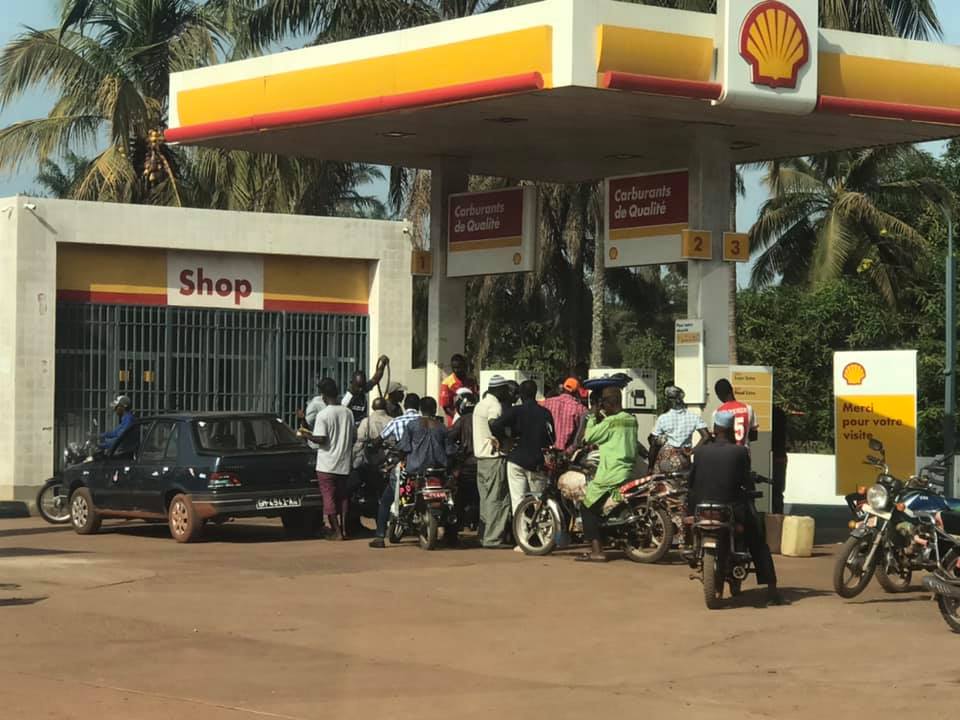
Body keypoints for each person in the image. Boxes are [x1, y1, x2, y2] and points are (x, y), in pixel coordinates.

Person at [687, 411, 786, 606]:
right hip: (730, 508)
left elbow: (691, 482)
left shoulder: (700, 452)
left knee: (691, 527)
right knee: (757, 538)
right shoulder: (740, 452)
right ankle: (772, 588)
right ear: (732, 430)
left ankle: (693, 550)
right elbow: (745, 481)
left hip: (701, 507)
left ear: (715, 429)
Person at [370, 396, 454, 548]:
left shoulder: (412, 425)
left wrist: (396, 458)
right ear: (434, 409)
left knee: (387, 497)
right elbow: (450, 451)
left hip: (415, 469)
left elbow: (404, 448)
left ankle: (380, 536)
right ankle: (452, 534)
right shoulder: (441, 427)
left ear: (421, 409)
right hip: (438, 470)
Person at [576, 387, 638, 563]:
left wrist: (592, 416)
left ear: (610, 403)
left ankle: (597, 551)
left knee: (586, 507)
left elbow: (589, 437)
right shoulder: (631, 419)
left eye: (603, 403)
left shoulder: (611, 422)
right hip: (627, 470)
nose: (602, 406)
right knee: (606, 504)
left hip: (611, 472)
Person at [491, 380, 555, 527]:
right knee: (539, 501)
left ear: (520, 395)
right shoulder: (545, 413)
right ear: (535, 393)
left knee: (518, 501)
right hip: (537, 461)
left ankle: (522, 535)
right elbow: (552, 438)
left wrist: (506, 438)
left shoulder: (515, 411)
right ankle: (542, 534)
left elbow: (496, 425)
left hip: (516, 459)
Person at [302, 378, 356, 541]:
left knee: (328, 497)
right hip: (344, 463)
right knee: (343, 497)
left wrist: (306, 434)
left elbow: (321, 439)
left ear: (323, 396)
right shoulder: (348, 413)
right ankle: (344, 530)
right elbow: (353, 436)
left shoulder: (323, 414)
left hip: (326, 464)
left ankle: (336, 531)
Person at [473, 375, 513, 549]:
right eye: (505, 389)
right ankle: (493, 538)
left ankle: (484, 535)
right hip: (494, 457)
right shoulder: (494, 406)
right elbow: (494, 423)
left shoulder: (481, 404)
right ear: (499, 390)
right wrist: (504, 438)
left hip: (481, 458)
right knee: (498, 499)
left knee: (485, 499)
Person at [650, 385, 709, 473]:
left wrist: (650, 466)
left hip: (666, 459)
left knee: (662, 480)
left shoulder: (663, 418)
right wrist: (693, 450)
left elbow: (654, 443)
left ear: (668, 400)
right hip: (684, 458)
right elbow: (706, 436)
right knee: (683, 480)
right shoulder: (693, 417)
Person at [447, 388, 479, 546]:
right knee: (480, 499)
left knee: (459, 499)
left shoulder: (463, 420)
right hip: (483, 463)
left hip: (468, 465)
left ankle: (451, 534)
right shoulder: (481, 418)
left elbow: (449, 438)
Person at [341, 355, 389, 425]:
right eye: (358, 386)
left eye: (362, 386)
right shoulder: (347, 398)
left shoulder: (363, 389)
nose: (360, 389)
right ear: (352, 383)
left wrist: (383, 364)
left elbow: (375, 379)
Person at [543, 377, 588, 452]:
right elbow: (580, 434)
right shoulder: (580, 409)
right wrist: (569, 451)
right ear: (576, 392)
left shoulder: (547, 402)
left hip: (547, 451)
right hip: (566, 453)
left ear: (563, 388)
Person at [714, 378, 758, 447]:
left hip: (727, 451)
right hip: (744, 451)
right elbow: (754, 436)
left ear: (718, 395)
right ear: (732, 390)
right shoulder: (748, 408)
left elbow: (717, 436)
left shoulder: (717, 412)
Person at [439, 353, 478, 426]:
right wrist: (458, 417)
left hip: (470, 420)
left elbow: (475, 398)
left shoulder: (471, 381)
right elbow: (446, 407)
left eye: (459, 367)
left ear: (464, 366)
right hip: (455, 422)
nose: (456, 370)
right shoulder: (447, 383)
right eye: (454, 368)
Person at [771, 405, 788, 514]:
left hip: (777, 456)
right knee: (777, 493)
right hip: (779, 456)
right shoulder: (780, 413)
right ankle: (778, 518)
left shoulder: (774, 413)